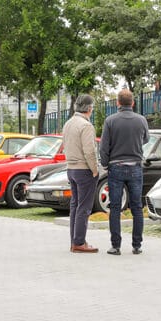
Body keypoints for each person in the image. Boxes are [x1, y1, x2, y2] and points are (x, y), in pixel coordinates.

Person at [99, 89, 150, 255]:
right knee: (136, 206)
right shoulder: (141, 120)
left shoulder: (110, 121)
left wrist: (106, 164)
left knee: (115, 207)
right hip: (135, 167)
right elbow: (146, 139)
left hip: (116, 167)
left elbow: (104, 146)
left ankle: (116, 246)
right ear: (133, 103)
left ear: (118, 103)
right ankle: (137, 245)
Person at [61, 94, 100, 253]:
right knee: (84, 207)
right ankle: (79, 242)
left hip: (71, 168)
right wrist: (95, 169)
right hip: (84, 169)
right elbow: (89, 151)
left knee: (75, 206)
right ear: (89, 108)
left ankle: (75, 240)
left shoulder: (68, 124)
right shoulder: (86, 126)